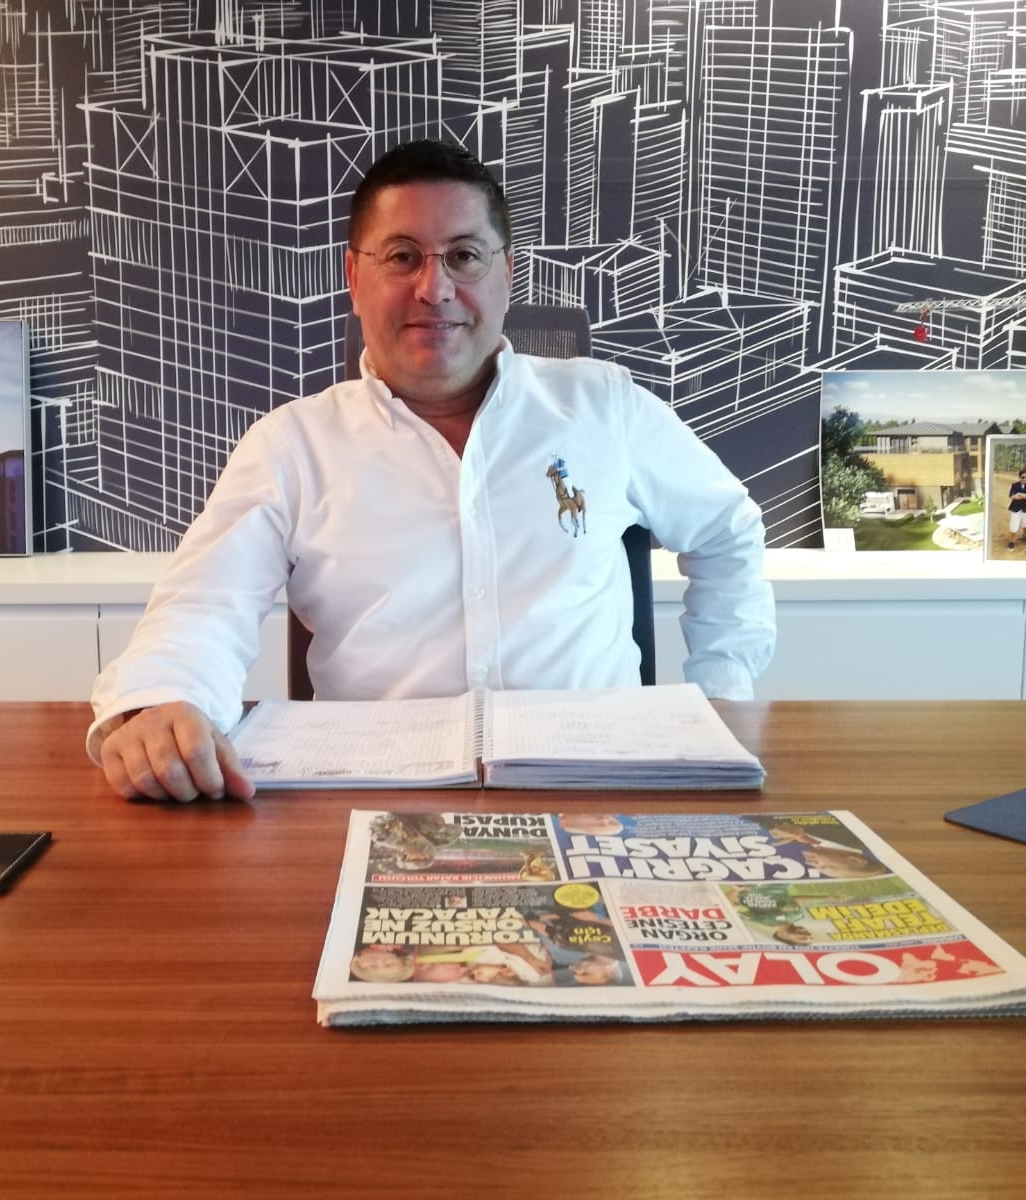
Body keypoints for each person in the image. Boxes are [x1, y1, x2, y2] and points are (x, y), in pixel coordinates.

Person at [89, 139, 776, 802]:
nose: (434, 288)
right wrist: (165, 700)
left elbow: (726, 530)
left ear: (506, 273)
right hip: (369, 793)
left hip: (598, 785)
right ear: (354, 277)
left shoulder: (603, 407)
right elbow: (205, 603)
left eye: (464, 256)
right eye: (402, 256)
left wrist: (720, 694)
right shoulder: (293, 444)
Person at [1005, 468, 1026, 550]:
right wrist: (1024, 496)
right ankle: (1012, 541)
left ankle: (1024, 535)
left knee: (1025, 523)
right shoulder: (1015, 485)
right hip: (1015, 508)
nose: (1025, 479)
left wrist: (1020, 494)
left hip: (1025, 507)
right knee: (1014, 525)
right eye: (1023, 477)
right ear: (1019, 477)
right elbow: (1012, 496)